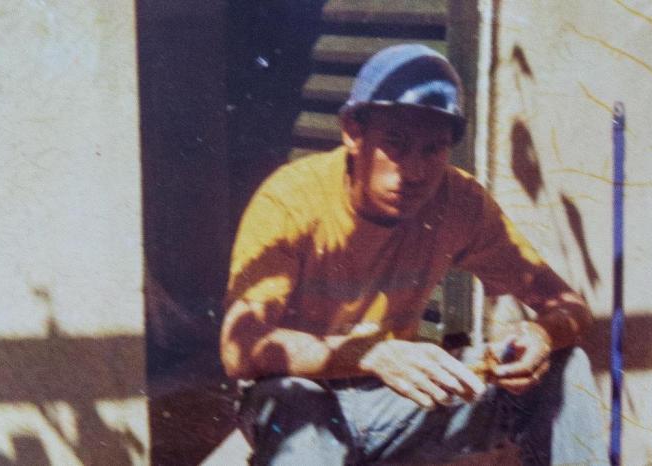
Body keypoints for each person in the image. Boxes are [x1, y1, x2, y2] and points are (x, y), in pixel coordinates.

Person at [220, 44, 608, 465]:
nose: (415, 172)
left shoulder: (460, 201)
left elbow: (569, 305)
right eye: (396, 144)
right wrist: (369, 354)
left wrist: (543, 335)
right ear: (353, 132)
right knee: (294, 401)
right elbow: (239, 347)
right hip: (300, 395)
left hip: (395, 400)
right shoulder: (291, 198)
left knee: (565, 368)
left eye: (433, 149)